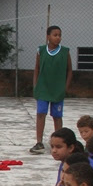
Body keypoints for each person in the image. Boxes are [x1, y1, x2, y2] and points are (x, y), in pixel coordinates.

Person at [17, 128, 85, 186]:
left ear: (71, 148)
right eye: (52, 147)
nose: (54, 151)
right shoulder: (64, 164)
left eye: (58, 147)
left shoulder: (77, 176)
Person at [30, 25, 73, 154]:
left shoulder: (65, 51)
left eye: (60, 35)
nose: (58, 37)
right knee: (40, 114)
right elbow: (37, 68)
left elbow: (69, 70)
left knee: (57, 116)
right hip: (43, 88)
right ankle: (39, 142)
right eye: (55, 35)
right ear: (48, 36)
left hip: (57, 89)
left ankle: (58, 142)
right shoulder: (41, 50)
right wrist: (35, 85)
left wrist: (65, 87)